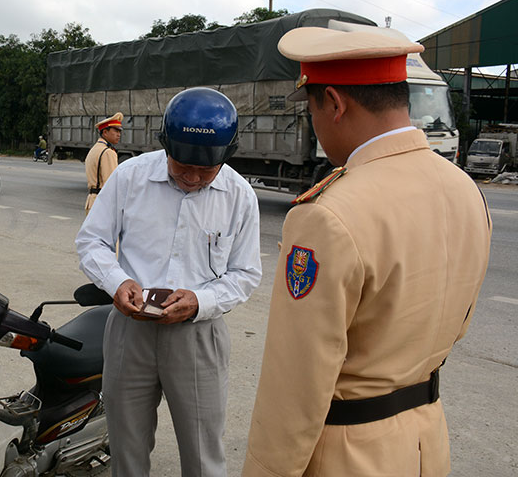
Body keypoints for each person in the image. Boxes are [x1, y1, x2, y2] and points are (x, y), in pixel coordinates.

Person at [242, 28, 492, 476]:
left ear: (335, 104)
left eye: (313, 111)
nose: (314, 125)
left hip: (348, 454)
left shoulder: (328, 215)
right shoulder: (464, 189)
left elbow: (296, 385)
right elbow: (456, 327)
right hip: (425, 444)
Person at [76, 88, 263, 477]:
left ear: (226, 156)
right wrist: (117, 281)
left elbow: (245, 273)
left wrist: (200, 300)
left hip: (198, 337)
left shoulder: (239, 196)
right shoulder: (131, 177)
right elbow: (91, 241)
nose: (193, 178)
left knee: (203, 454)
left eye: (206, 171)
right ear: (165, 148)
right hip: (130, 329)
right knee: (125, 447)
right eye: (182, 167)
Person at [84, 112, 122, 213]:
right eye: (116, 131)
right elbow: (111, 184)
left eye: (120, 131)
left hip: (92, 201)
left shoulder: (95, 149)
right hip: (102, 205)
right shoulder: (108, 152)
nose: (119, 134)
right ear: (105, 132)